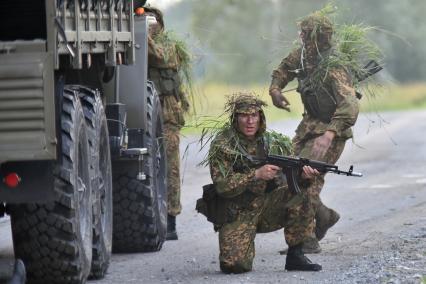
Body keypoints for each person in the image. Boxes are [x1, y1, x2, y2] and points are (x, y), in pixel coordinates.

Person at [269, 12, 360, 252]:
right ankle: (324, 215)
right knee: (285, 174)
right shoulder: (303, 56)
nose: (300, 38)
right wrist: (275, 89)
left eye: (304, 34)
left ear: (315, 38)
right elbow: (283, 70)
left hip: (331, 131)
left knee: (307, 179)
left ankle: (305, 241)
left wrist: (329, 134)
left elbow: (350, 105)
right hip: (308, 126)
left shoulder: (334, 65)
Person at [206, 92, 322, 273]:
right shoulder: (223, 146)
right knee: (235, 266)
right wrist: (256, 174)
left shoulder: (273, 142)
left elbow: (291, 179)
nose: (250, 121)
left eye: (254, 115)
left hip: (267, 207)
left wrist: (304, 178)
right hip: (238, 212)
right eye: (244, 116)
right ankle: (244, 243)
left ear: (261, 117)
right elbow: (222, 186)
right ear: (235, 118)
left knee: (301, 194)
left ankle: (296, 256)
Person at [145, 6, 190, 240]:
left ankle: (171, 218)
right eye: (144, 20)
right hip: (146, 111)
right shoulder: (139, 45)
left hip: (168, 113)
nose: (149, 24)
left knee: (170, 166)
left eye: (152, 20)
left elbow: (160, 57)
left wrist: (145, 34)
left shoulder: (169, 46)